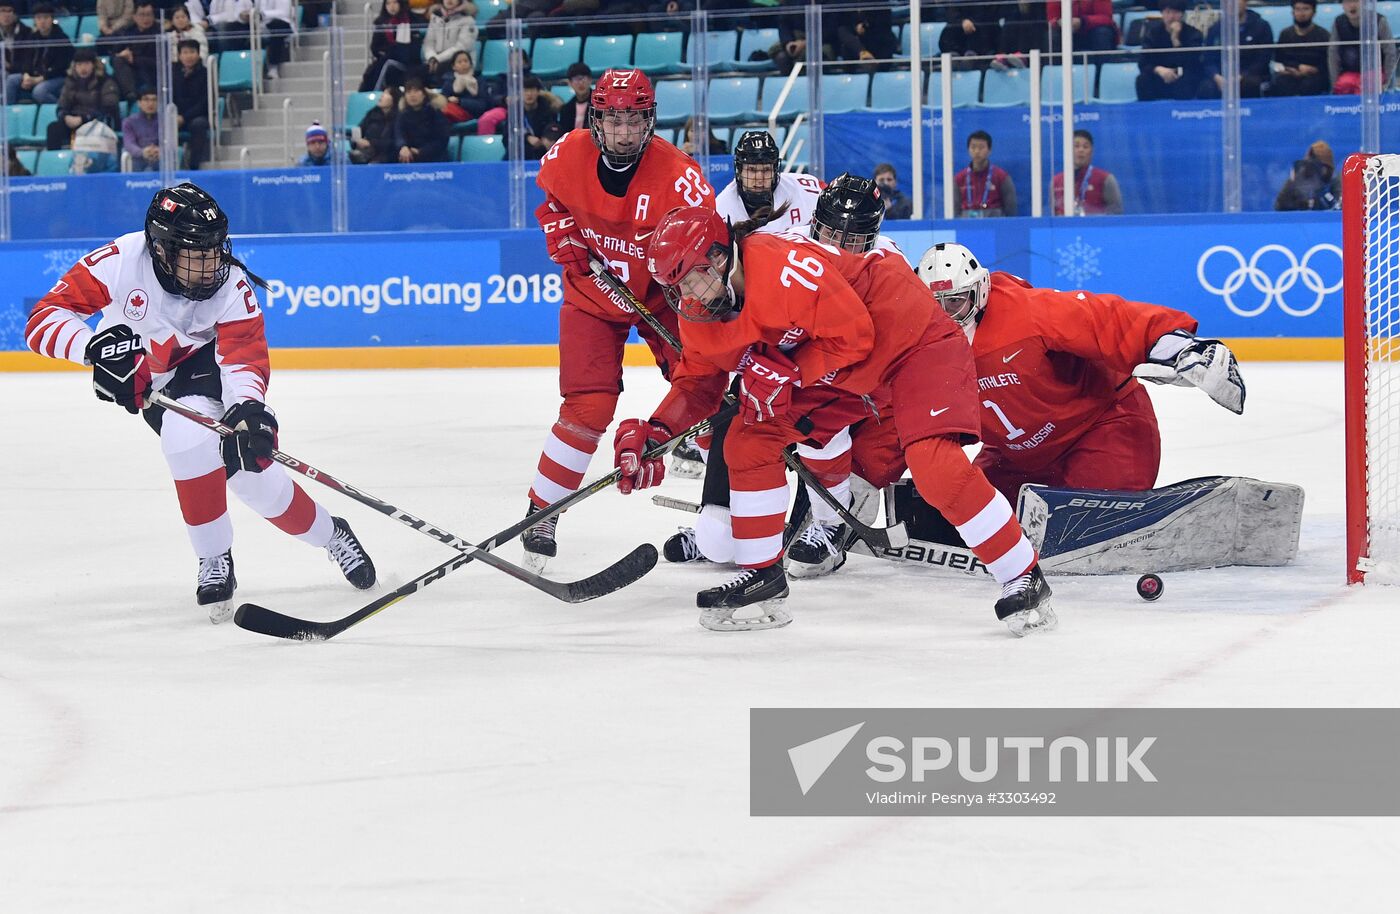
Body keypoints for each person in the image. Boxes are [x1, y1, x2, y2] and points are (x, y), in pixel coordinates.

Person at [619, 200, 1055, 635]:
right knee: (748, 440)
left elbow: (857, 335)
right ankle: (763, 576)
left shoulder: (781, 269)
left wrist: (788, 371)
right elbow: (697, 383)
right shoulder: (703, 311)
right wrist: (657, 432)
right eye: (675, 287)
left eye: (692, 279)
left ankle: (1022, 573)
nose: (688, 298)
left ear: (719, 255)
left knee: (933, 465)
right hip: (841, 368)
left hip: (912, 343)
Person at [23, 183, 377, 622]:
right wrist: (96, 348)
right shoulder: (119, 262)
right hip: (147, 378)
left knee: (232, 465)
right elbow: (43, 320)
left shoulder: (231, 285)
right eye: (196, 253)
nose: (211, 265)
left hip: (204, 368)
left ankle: (326, 536)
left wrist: (249, 411)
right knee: (218, 463)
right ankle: (236, 552)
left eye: (214, 250)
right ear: (161, 249)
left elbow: (243, 357)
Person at [519, 67, 726, 571]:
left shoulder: (681, 177)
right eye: (615, 121)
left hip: (664, 298)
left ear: (650, 121)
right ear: (597, 121)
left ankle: (730, 507)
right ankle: (542, 511)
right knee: (587, 407)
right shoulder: (568, 153)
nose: (625, 133)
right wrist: (562, 229)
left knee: (705, 394)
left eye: (635, 121)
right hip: (592, 296)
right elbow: (552, 203)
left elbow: (707, 247)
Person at [914, 242, 1245, 509]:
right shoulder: (922, 349)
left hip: (1102, 428)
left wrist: (1174, 344)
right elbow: (900, 410)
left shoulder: (1026, 315)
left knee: (1094, 511)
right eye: (935, 305)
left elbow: (1104, 319)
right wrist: (869, 471)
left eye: (955, 302)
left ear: (980, 292)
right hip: (1017, 458)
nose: (947, 317)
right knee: (960, 510)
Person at [48, 48, 120, 150]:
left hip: (95, 122)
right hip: (73, 121)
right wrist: (65, 117)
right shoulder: (70, 82)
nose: (83, 68)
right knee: (53, 128)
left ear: (94, 65)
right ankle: (54, 161)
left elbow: (109, 107)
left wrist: (85, 118)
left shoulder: (105, 82)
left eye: (86, 64)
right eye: (79, 65)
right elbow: (61, 106)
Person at [1199, 3, 1273, 99]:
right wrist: (1216, 76)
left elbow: (1263, 59)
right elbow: (1208, 58)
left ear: (1245, 2)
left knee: (1250, 84)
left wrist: (1241, 76)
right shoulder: (1215, 29)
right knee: (1207, 87)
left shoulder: (1262, 26)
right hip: (1222, 76)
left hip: (1251, 74)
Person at [4, 3, 72, 106]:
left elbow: (61, 67)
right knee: (11, 80)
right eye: (38, 18)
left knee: (39, 92)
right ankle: (9, 114)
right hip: (34, 75)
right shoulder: (32, 37)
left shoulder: (61, 38)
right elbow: (26, 60)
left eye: (45, 17)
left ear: (52, 19)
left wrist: (39, 79)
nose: (42, 21)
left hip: (56, 77)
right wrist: (26, 75)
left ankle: (61, 109)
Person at [1135, 0, 1204, 101]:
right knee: (1142, 80)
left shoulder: (1193, 34)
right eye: (1168, 12)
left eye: (1176, 12)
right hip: (1160, 76)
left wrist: (1175, 40)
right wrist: (1159, 70)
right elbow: (1143, 62)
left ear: (1182, 14)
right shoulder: (1152, 34)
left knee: (1187, 81)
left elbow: (1193, 63)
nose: (1171, 17)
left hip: (1182, 77)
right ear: (1162, 13)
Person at [359, 0, 428, 92]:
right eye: (388, 3)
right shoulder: (381, 22)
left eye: (395, 2)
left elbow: (416, 46)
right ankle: (371, 93)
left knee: (386, 63)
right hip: (388, 58)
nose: (392, 6)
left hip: (410, 60)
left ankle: (374, 91)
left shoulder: (414, 20)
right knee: (381, 64)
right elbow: (375, 47)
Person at [1330, 0, 1397, 94]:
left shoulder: (1379, 21)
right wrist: (1334, 83)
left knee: (1367, 86)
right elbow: (1333, 54)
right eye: (1347, 2)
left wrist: (1388, 84)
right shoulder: (1338, 22)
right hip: (1349, 73)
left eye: (1356, 1)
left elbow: (1390, 52)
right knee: (1343, 86)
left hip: (1374, 72)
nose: (1352, 5)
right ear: (1342, 5)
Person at [1266, 0, 1331, 97]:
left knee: (1310, 84)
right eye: (1298, 9)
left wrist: (1314, 69)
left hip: (1314, 76)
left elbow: (1328, 61)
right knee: (1280, 82)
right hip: (1290, 73)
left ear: (1314, 12)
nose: (1301, 13)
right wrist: (1294, 68)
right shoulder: (1285, 34)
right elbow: (1279, 59)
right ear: (1292, 12)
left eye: (1306, 9)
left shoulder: (1323, 35)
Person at [1051, 129, 1122, 215]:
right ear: (1067, 150)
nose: (1081, 150)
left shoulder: (1105, 179)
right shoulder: (1056, 181)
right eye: (1076, 146)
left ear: (1091, 151)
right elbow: (1053, 214)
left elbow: (1116, 212)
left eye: (1085, 147)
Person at [954, 129, 1016, 217]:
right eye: (973, 147)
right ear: (968, 150)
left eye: (981, 147)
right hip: (966, 226)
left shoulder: (1001, 177)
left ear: (989, 150)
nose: (977, 151)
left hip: (995, 224)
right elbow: (954, 210)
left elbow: (1011, 210)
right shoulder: (959, 179)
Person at [111, 1, 162, 103]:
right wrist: (121, 55)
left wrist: (133, 59)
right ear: (134, 17)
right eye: (142, 15)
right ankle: (130, 94)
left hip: (150, 75)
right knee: (117, 61)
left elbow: (160, 62)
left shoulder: (159, 34)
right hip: (128, 74)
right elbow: (113, 55)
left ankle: (133, 96)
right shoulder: (127, 32)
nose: (145, 19)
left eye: (148, 15)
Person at [171, 38, 210, 167]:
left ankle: (194, 166)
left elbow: (204, 101)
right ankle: (170, 164)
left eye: (192, 52)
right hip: (176, 115)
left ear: (198, 54)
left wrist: (184, 117)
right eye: (185, 52)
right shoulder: (172, 73)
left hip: (197, 115)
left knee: (198, 124)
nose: (189, 56)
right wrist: (174, 116)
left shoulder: (205, 73)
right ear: (179, 55)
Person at [394, 76, 449, 162]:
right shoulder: (402, 115)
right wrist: (403, 147)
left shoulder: (435, 112)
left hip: (435, 158)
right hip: (409, 157)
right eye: (408, 92)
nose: (412, 95)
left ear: (423, 95)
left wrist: (421, 151)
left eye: (416, 91)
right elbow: (399, 134)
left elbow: (442, 140)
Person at [1275, 140, 1341, 211]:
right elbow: (1280, 207)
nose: (1314, 170)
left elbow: (1339, 209)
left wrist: (1321, 193)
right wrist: (1291, 182)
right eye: (1311, 165)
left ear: (1327, 168)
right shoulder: (1300, 178)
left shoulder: (1334, 182)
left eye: (1318, 166)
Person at [422, 0, 478, 80]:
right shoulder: (435, 17)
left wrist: (438, 59)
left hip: (459, 62)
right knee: (417, 74)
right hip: (436, 60)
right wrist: (432, 58)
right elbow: (429, 42)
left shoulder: (467, 19)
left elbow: (462, 47)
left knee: (445, 76)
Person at [936, 1, 1001, 63]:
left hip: (981, 32)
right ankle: (953, 56)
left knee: (980, 29)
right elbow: (952, 14)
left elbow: (990, 14)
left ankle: (971, 57)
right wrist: (962, 21)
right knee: (951, 29)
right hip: (959, 31)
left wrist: (971, 22)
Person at [439, 49, 493, 122]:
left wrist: (460, 101)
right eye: (459, 62)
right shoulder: (449, 81)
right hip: (451, 111)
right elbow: (443, 99)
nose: (463, 64)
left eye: (466, 61)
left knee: (444, 111)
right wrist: (448, 100)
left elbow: (482, 104)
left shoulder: (479, 80)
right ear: (453, 66)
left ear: (470, 64)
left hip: (471, 113)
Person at [1046, 0, 1119, 53]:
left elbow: (1106, 18)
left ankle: (1101, 72)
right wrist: (1059, 22)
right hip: (1067, 34)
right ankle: (1054, 72)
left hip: (1092, 31)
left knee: (1102, 33)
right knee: (1052, 36)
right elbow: (1052, 19)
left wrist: (1082, 22)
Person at [352, 85, 399, 164]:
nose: (382, 96)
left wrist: (371, 143)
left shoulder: (398, 118)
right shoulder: (372, 114)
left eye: (387, 93)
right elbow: (359, 129)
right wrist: (357, 141)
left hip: (389, 156)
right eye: (383, 93)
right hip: (368, 153)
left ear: (394, 99)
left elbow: (393, 143)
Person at [121, 87, 162, 171]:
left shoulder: (165, 120)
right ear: (139, 103)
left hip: (160, 156)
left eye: (154, 100)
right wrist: (143, 152)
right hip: (138, 156)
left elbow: (169, 142)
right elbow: (129, 143)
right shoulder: (129, 122)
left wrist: (160, 150)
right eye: (146, 100)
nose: (150, 104)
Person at [255, 0, 295, 79]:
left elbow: (284, 12)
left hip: (281, 22)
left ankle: (273, 67)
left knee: (277, 27)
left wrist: (263, 14)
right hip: (261, 25)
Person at [554, 62, 592, 135]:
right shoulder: (566, 109)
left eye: (583, 78)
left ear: (590, 80)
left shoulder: (600, 105)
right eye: (576, 79)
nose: (580, 83)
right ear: (570, 83)